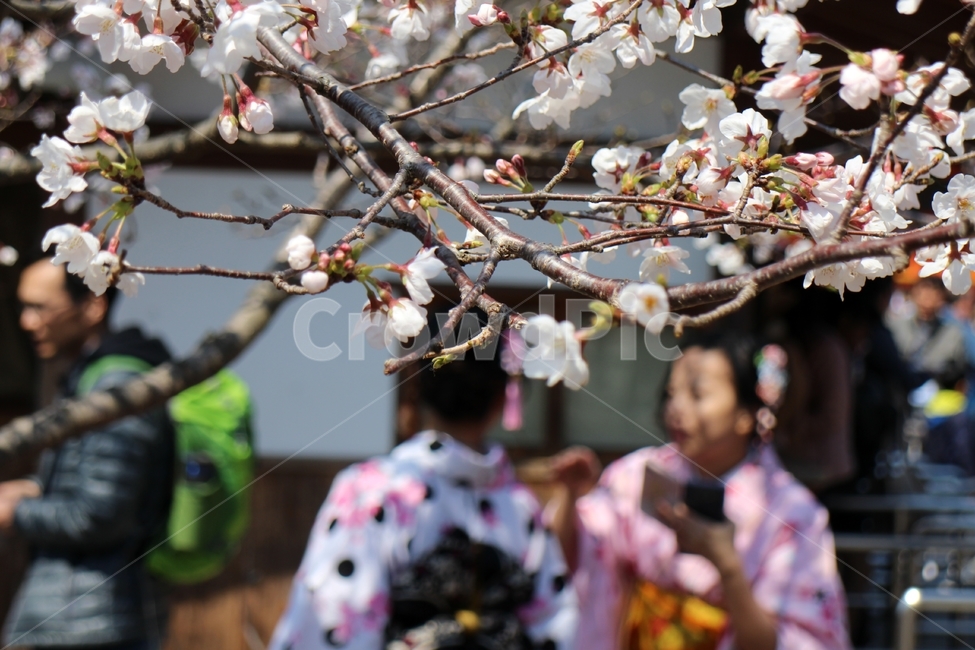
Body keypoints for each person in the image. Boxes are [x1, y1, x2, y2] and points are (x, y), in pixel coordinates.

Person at [269, 315, 576, 650]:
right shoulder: (519, 505)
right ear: (503, 399)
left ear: (415, 388)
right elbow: (556, 620)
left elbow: (337, 616)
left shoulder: (370, 491)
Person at [551, 333, 850, 650]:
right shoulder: (634, 475)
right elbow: (566, 557)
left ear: (746, 414)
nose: (676, 409)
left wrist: (729, 569)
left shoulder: (791, 512)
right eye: (671, 394)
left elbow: (796, 640)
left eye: (697, 395)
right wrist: (570, 496)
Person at [1, 257, 173, 650]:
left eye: (40, 307)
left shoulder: (117, 386)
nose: (27, 322)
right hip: (83, 614)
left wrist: (11, 512)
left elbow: (99, 514)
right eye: (22, 307)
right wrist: (27, 491)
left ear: (92, 306)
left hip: (92, 620)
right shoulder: (92, 377)